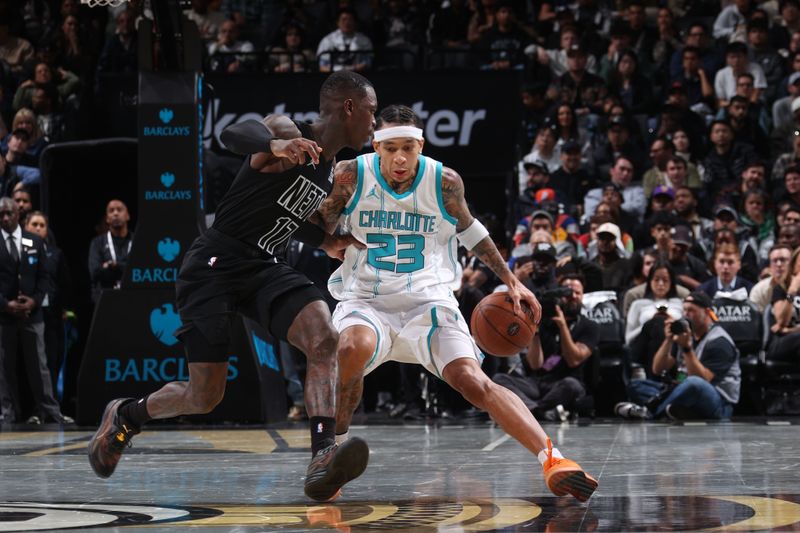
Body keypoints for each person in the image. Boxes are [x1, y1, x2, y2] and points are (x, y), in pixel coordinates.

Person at [87, 72, 377, 504]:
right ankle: (126, 414)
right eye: (372, 112)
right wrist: (274, 146)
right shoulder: (288, 131)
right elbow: (230, 134)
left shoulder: (328, 169)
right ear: (349, 107)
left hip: (262, 266)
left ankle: (321, 455)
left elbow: (288, 215)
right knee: (204, 396)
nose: (374, 123)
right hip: (214, 266)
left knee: (323, 337)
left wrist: (329, 241)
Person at [327, 105, 597, 502]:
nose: (400, 158)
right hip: (366, 299)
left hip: (429, 301)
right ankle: (333, 456)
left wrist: (510, 280)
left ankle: (554, 460)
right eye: (390, 149)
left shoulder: (443, 181)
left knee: (474, 381)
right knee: (351, 348)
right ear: (376, 146)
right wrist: (330, 240)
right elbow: (318, 221)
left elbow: (472, 232)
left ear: (421, 145)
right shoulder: (352, 175)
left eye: (408, 148)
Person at [0, 198, 72, 425]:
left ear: (17, 215)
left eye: (9, 213)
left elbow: (44, 278)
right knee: (4, 366)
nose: (5, 218)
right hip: (4, 314)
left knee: (39, 366)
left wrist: (34, 301)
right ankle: (7, 411)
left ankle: (50, 409)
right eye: (1, 214)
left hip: (33, 313)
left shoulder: (34, 241)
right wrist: (5, 304)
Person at [617, 291, 741, 420]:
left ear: (706, 312)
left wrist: (687, 349)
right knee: (637, 385)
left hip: (718, 402)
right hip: (683, 389)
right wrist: (668, 340)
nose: (686, 315)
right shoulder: (685, 334)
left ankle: (650, 412)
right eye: (685, 310)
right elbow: (658, 369)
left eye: (691, 310)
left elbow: (703, 380)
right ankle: (678, 410)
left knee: (693, 384)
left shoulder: (719, 341)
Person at [494, 275, 598, 422]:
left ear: (582, 296)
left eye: (577, 293)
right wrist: (535, 331)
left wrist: (562, 326)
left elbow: (573, 360)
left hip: (564, 384)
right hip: (538, 384)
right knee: (499, 379)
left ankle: (532, 410)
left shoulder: (589, 326)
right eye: (567, 293)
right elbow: (535, 364)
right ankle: (541, 411)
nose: (572, 297)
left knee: (572, 385)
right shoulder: (546, 322)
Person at [88, 199, 132, 303]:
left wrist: (113, 265)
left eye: (119, 210)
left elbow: (139, 271)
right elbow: (94, 273)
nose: (115, 213)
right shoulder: (97, 243)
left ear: (128, 216)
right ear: (107, 219)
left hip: (131, 298)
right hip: (105, 300)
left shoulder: (136, 241)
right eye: (111, 210)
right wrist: (125, 266)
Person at [766, 247, 800, 362]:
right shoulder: (780, 288)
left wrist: (790, 330)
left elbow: (784, 328)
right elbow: (782, 322)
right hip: (780, 342)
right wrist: (792, 291)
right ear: (794, 266)